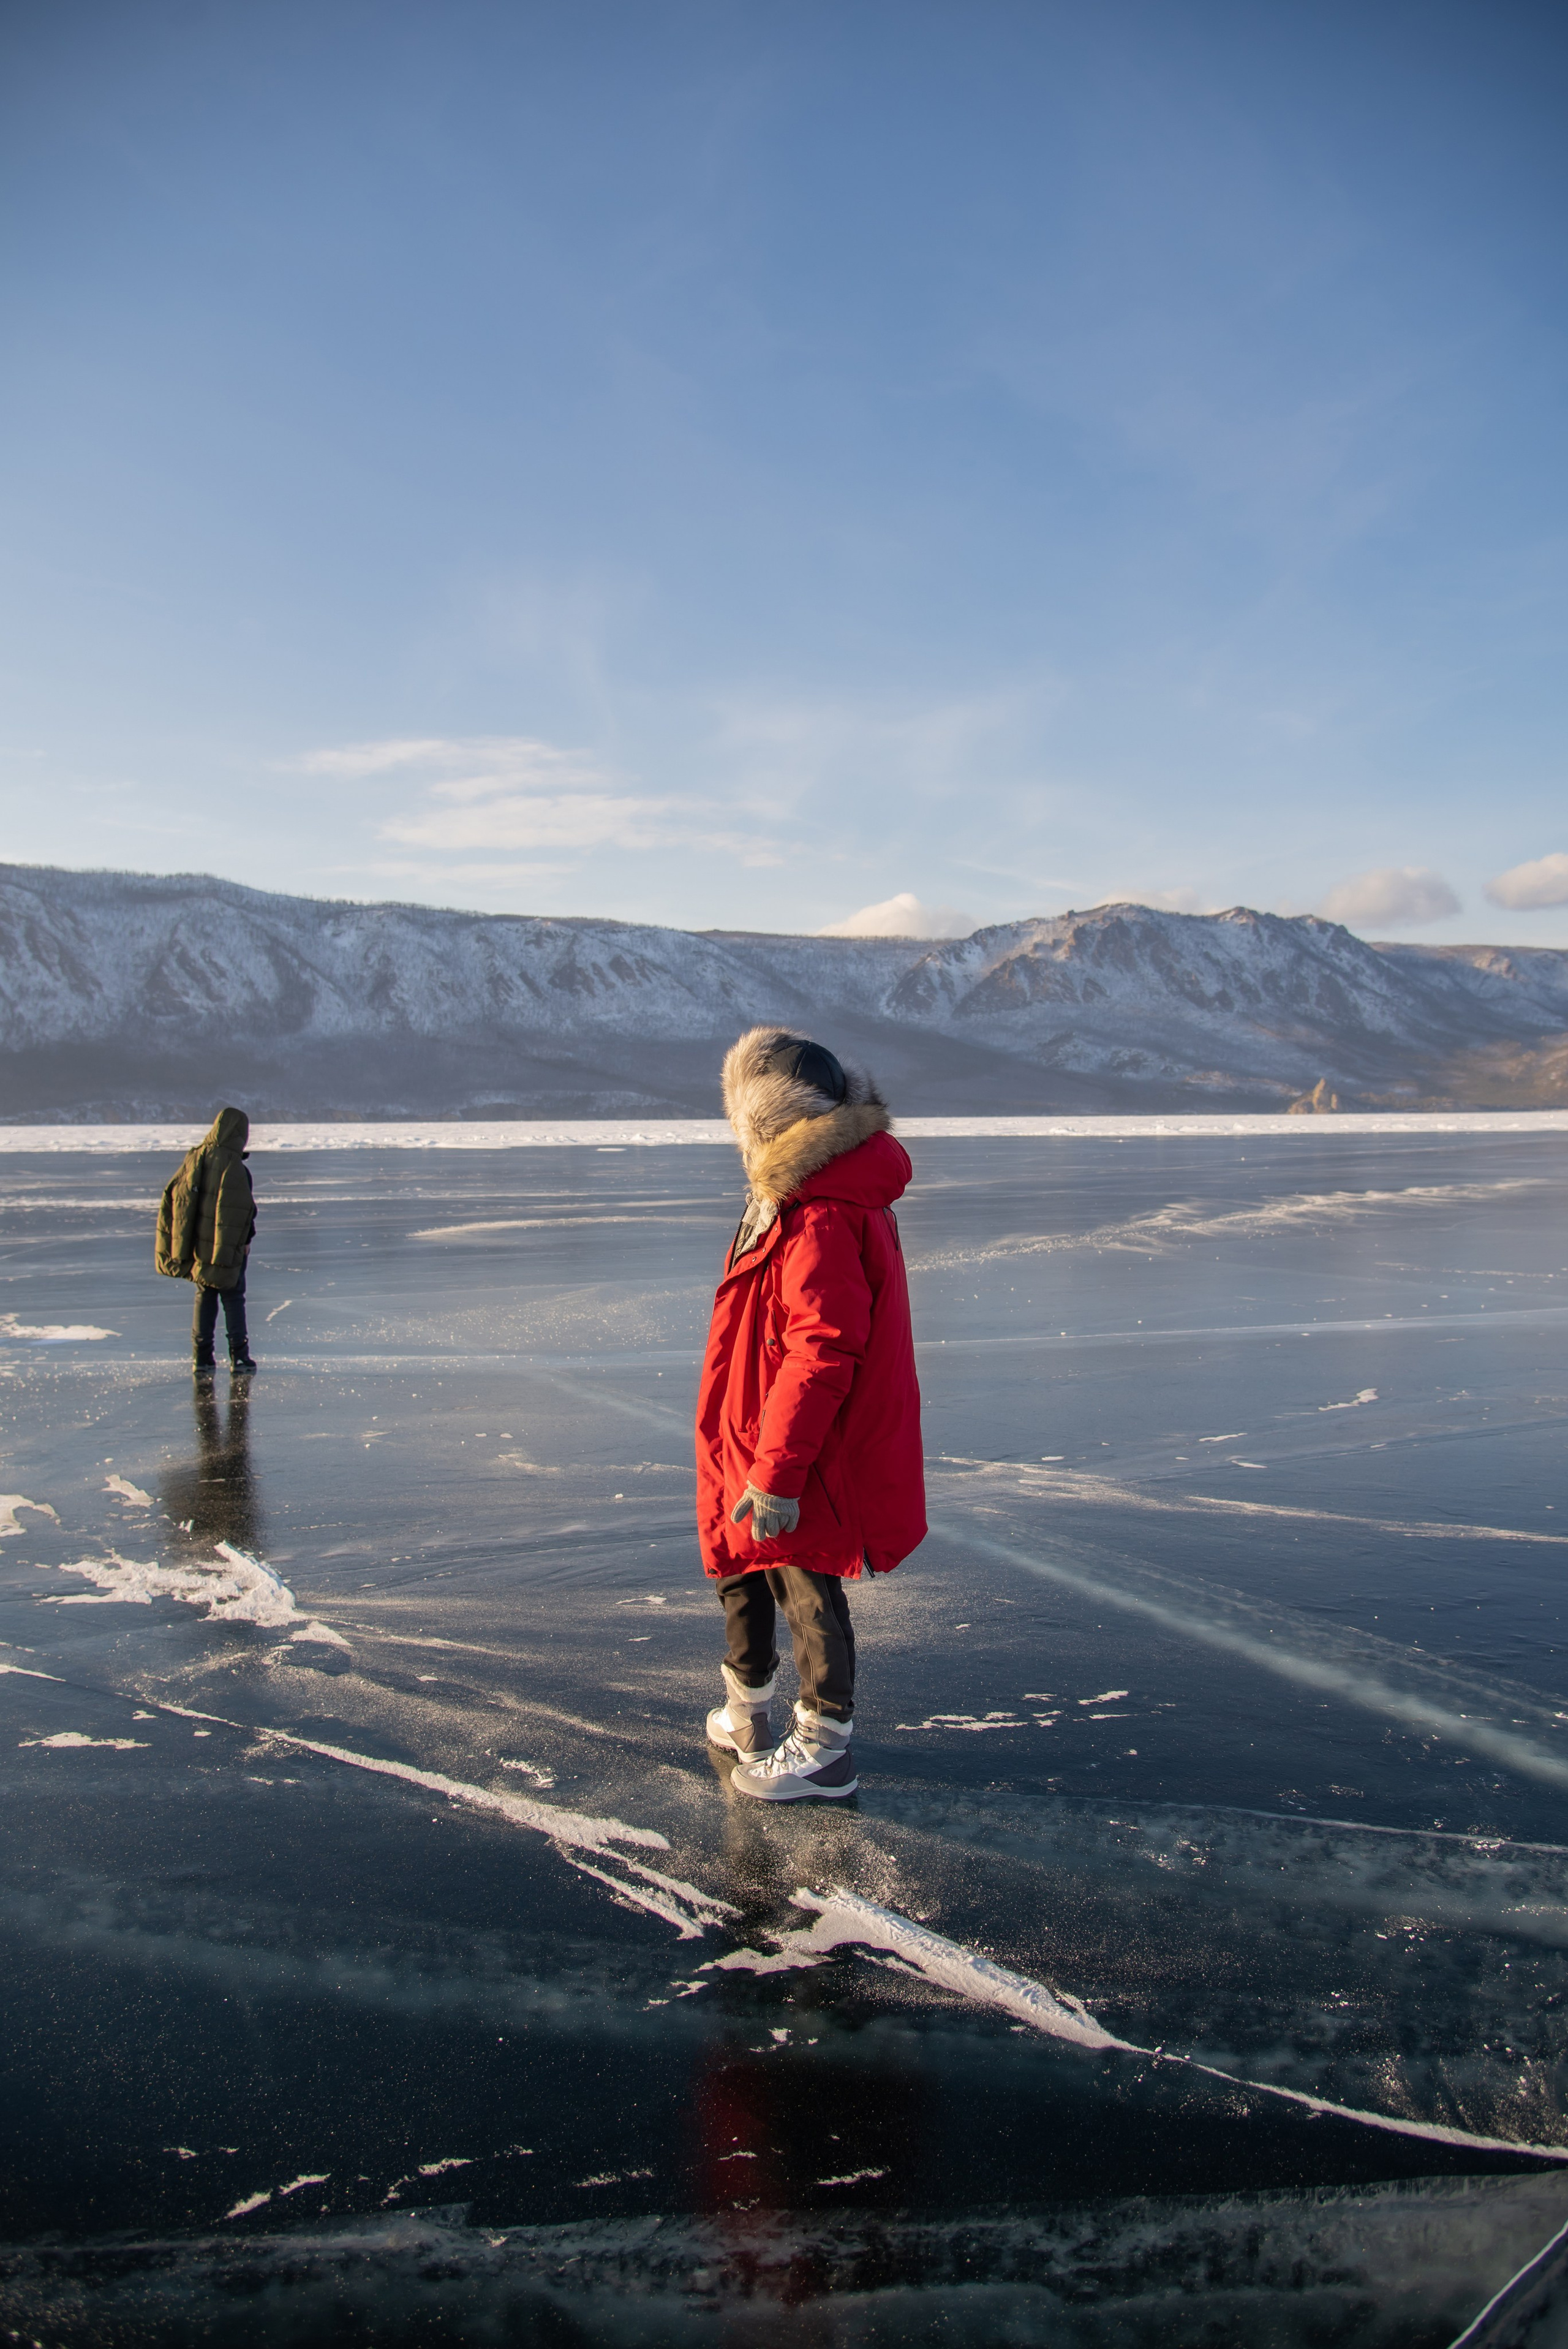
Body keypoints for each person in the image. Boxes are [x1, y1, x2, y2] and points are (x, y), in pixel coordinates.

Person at [694, 1026, 925, 1800]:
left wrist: (779, 1470)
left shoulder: (821, 1213)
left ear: (766, 1121)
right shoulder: (787, 1201)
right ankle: (746, 1711)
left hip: (796, 1441)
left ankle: (824, 1747)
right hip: (753, 1425)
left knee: (803, 1580)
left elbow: (822, 1349)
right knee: (742, 1564)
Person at [157, 1105, 258, 1375]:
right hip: (227, 1246)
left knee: (205, 1294)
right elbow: (242, 1211)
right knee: (233, 1297)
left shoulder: (195, 1158)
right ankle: (239, 1357)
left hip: (199, 1244)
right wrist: (246, 1240)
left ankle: (201, 1358)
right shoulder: (234, 1167)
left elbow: (176, 1197)